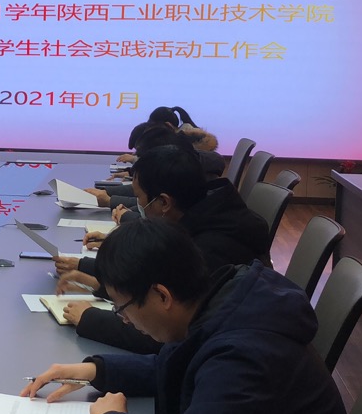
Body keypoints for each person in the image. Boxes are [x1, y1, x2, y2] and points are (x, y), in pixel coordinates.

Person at [23, 219, 358, 414]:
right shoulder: (223, 303)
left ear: (161, 295)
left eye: (122, 308)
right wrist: (96, 370)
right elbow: (173, 365)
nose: (124, 320)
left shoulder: (243, 358)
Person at [55, 144, 271, 353]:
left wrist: (90, 319)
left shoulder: (211, 249)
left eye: (138, 198)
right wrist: (104, 287)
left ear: (164, 203)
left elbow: (167, 334)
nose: (137, 205)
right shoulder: (206, 216)